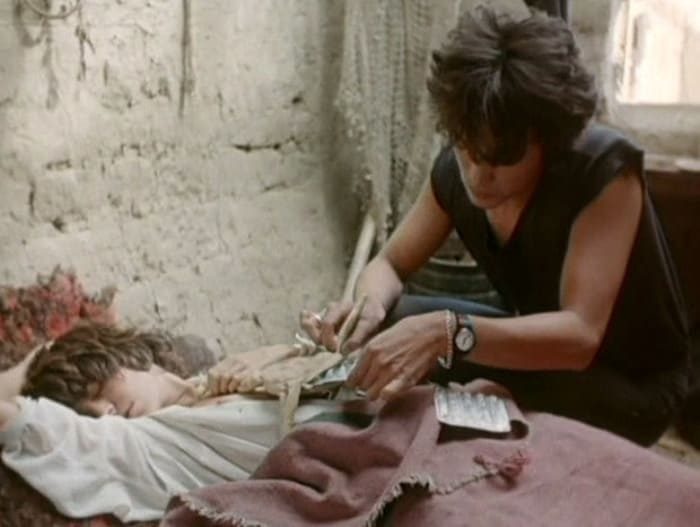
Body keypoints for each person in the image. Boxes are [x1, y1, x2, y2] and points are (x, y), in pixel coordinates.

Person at [314, 6, 690, 446]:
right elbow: (391, 265)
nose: (477, 175)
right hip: (547, 359)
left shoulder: (601, 171)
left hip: (628, 385)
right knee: (396, 321)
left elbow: (581, 336)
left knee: (436, 345)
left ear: (547, 140)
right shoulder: (456, 169)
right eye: (465, 148)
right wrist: (366, 309)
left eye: (501, 158)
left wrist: (447, 333)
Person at [0, 322, 347, 522]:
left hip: (360, 415)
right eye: (87, 413)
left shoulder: (223, 375)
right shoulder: (145, 442)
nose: (104, 412)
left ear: (115, 358)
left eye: (97, 390)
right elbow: (24, 421)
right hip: (345, 475)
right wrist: (35, 362)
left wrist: (301, 352)